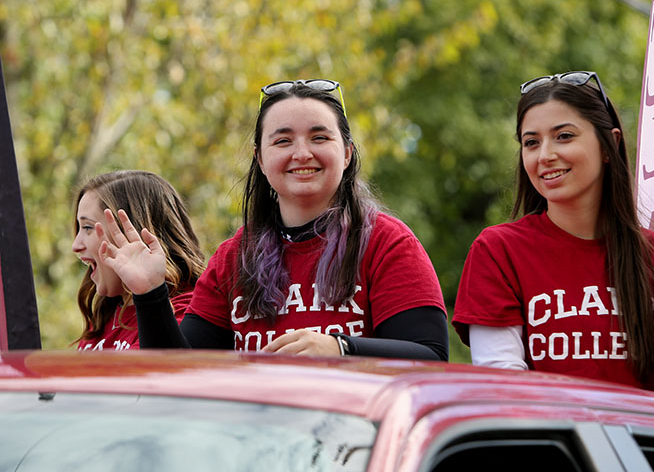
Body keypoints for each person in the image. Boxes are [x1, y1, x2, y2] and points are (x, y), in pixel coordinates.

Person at [96, 80, 449, 359]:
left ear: (346, 153)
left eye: (319, 137)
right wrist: (150, 293)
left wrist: (342, 348)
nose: (302, 153)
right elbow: (181, 373)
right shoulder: (234, 258)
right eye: (282, 141)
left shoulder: (388, 243)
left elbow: (430, 357)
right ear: (260, 160)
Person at [453, 71, 654, 390]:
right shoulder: (499, 250)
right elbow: (505, 388)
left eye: (564, 136)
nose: (545, 156)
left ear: (610, 143)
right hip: (543, 437)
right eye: (531, 143)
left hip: (647, 439)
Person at [73, 170, 205, 350]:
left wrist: (150, 294)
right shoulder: (105, 316)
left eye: (87, 227)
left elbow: (163, 370)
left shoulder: (187, 313)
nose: (76, 245)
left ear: (133, 232)